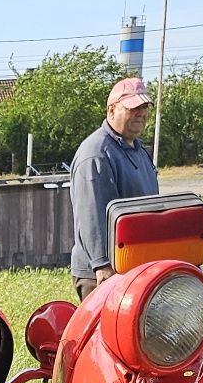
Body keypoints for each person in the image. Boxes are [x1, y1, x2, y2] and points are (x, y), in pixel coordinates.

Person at [68, 77, 158, 298]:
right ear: (111, 110)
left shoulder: (138, 150)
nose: (141, 113)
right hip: (104, 273)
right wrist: (102, 264)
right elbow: (91, 214)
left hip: (134, 266)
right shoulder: (96, 153)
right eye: (133, 107)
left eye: (144, 107)